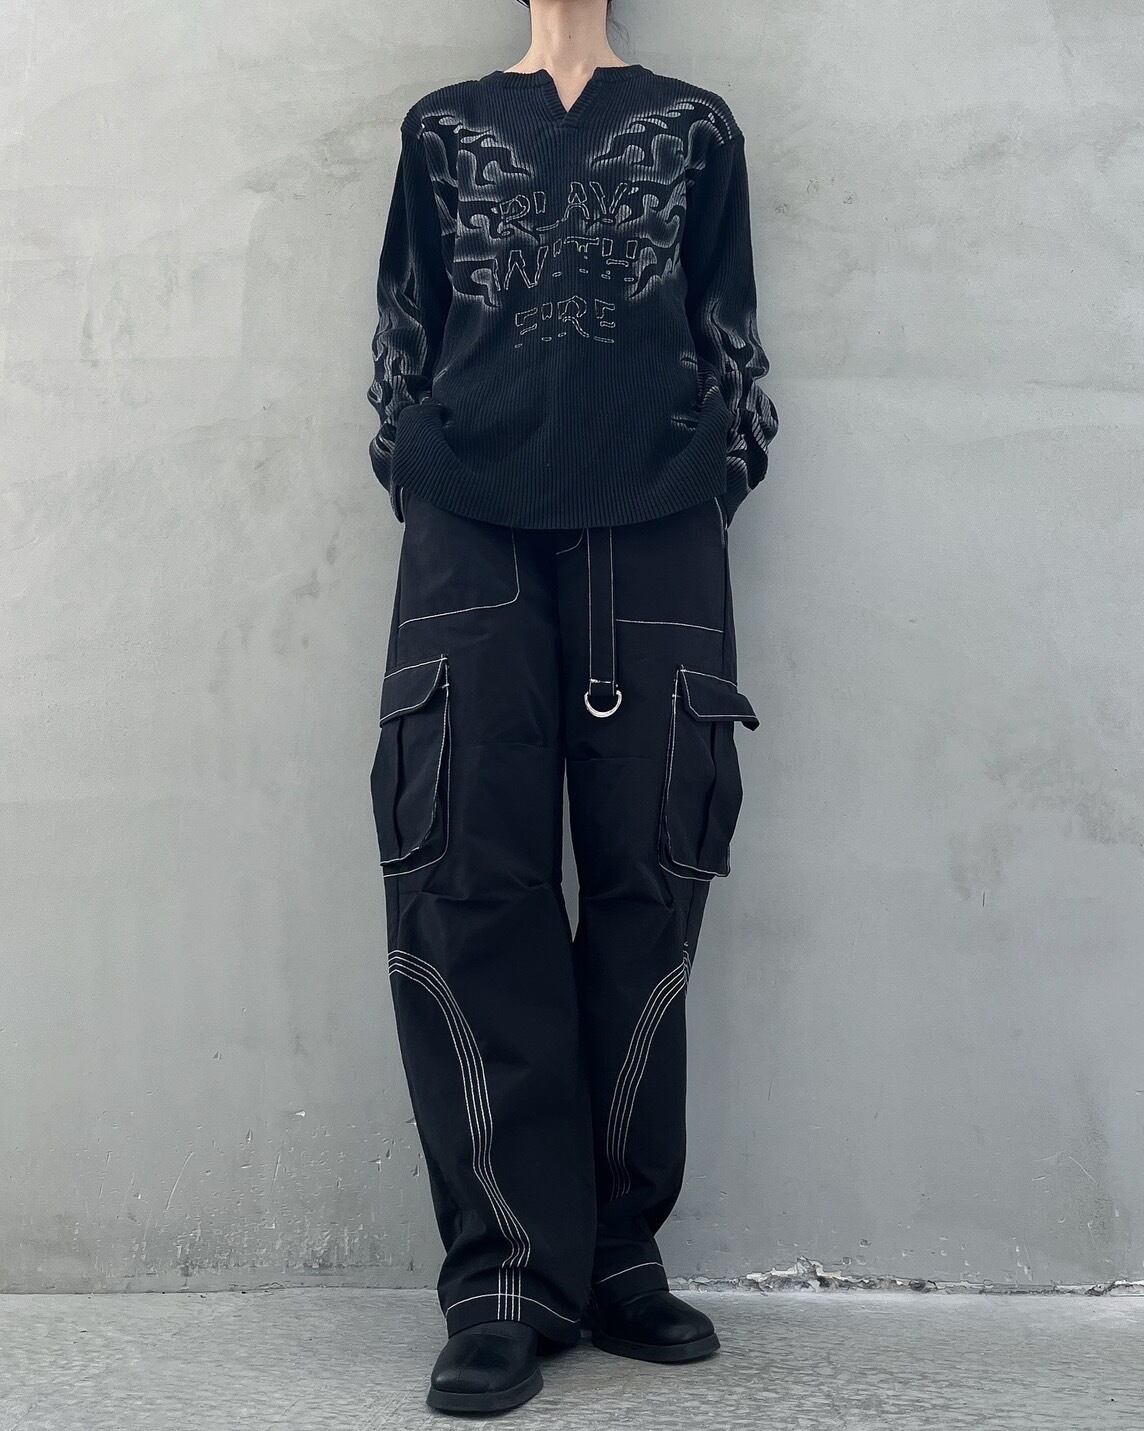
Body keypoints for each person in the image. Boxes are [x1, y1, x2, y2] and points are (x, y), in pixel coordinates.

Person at [366, 0, 778, 1414]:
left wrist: (708, 472)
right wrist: (424, 467)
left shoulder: (693, 126)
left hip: (654, 530)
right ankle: (501, 1276)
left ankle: (615, 1255)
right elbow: (402, 332)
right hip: (473, 530)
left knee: (652, 877)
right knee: (462, 878)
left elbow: (733, 336)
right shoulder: (443, 130)